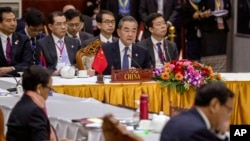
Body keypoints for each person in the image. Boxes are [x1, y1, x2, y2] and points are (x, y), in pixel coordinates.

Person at [160, 81, 235, 141]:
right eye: (228, 111)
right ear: (214, 105)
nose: (228, 117)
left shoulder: (174, 120)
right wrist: (220, 134)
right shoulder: (199, 132)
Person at [6, 65, 57, 141]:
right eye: (49, 89)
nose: (49, 92)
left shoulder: (23, 103)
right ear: (39, 88)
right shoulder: (35, 112)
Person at [36, 11, 81, 75]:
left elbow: (79, 63)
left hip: (72, 75)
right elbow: (40, 67)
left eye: (65, 23)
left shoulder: (75, 42)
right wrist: (54, 73)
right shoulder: (42, 44)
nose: (63, 27)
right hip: (54, 76)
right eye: (59, 24)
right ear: (50, 27)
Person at [0, 7, 32, 77]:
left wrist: (11, 69)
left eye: (14, 20)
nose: (13, 24)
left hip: (18, 78)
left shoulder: (23, 39)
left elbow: (27, 63)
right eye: (8, 21)